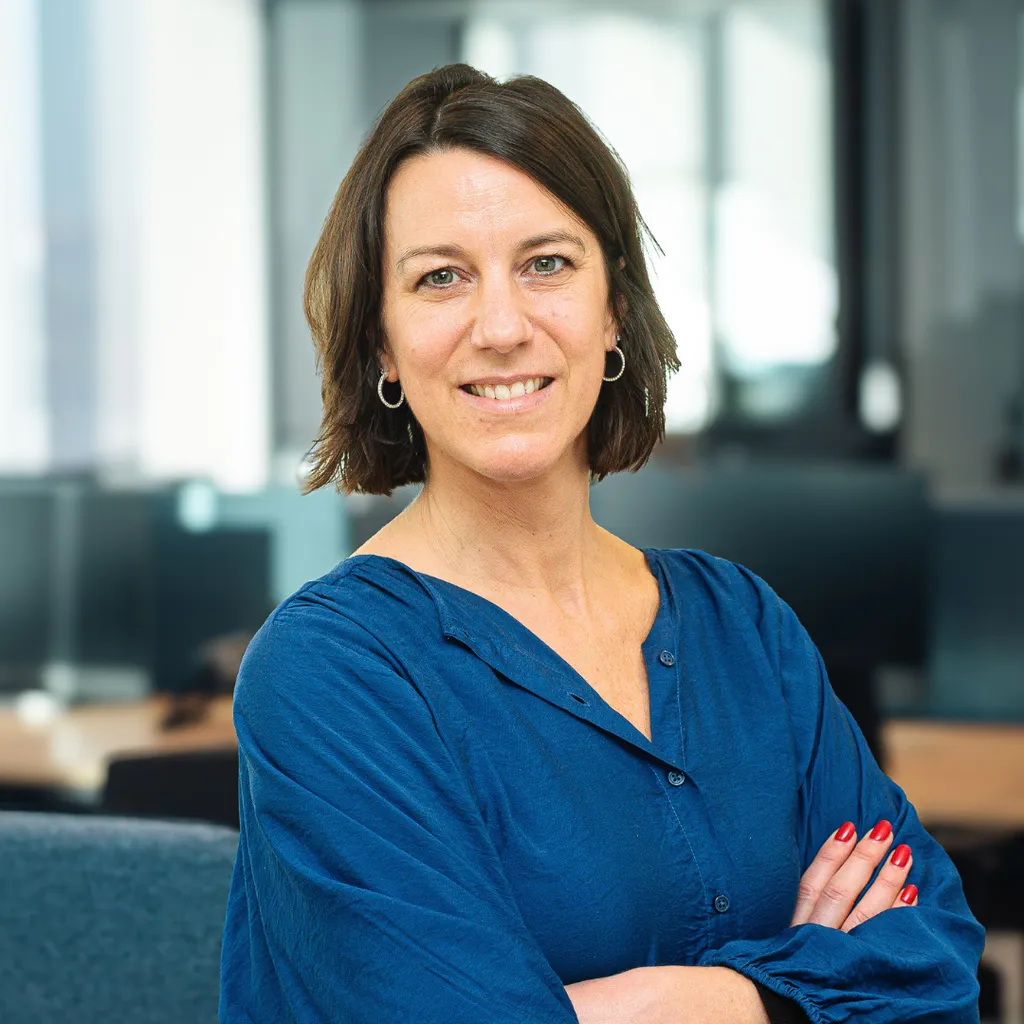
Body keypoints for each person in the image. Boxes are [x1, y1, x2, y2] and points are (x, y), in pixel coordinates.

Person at [219, 64, 984, 1023]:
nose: (501, 326)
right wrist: (796, 993)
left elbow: (937, 968)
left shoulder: (743, 627)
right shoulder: (331, 673)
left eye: (546, 263)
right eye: (440, 277)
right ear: (381, 343)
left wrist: (671, 1000)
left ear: (612, 308)